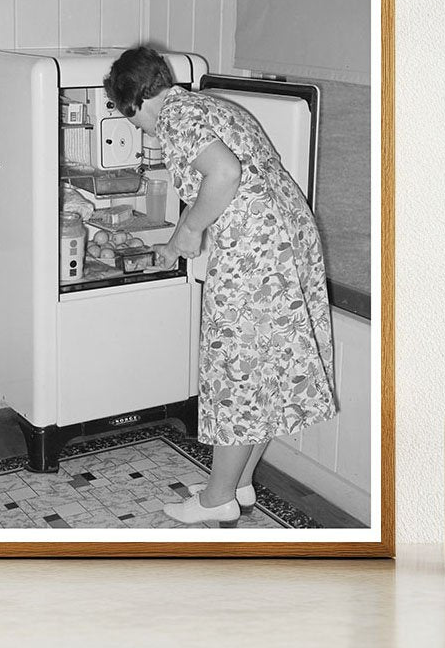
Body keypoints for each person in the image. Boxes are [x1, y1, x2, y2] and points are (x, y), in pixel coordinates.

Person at [104, 46, 338, 527]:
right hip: (288, 245)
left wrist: (188, 232)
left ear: (133, 104)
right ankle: (237, 484)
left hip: (256, 259)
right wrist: (179, 238)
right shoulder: (211, 106)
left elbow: (225, 174)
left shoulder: (175, 119)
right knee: (263, 371)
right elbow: (236, 176)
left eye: (129, 117)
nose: (136, 128)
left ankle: (216, 500)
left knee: (236, 374)